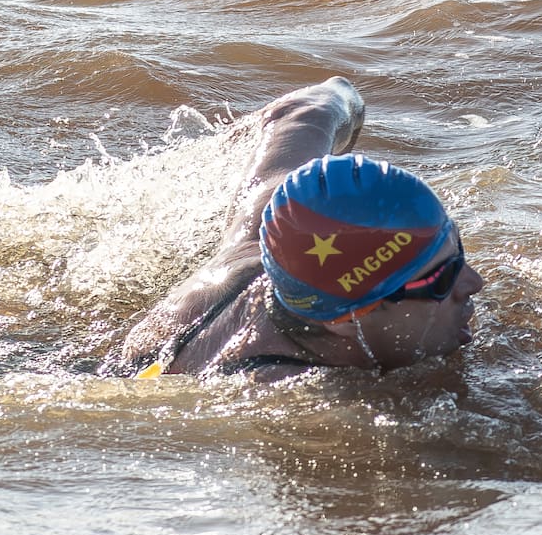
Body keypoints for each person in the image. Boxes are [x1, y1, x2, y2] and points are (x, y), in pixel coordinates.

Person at [121, 76, 484, 381]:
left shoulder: (270, 223)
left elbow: (318, 102)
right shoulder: (286, 393)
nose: (472, 282)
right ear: (347, 319)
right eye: (440, 279)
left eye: (456, 249)